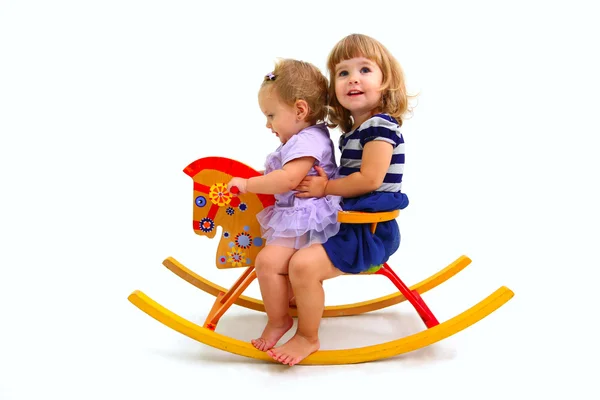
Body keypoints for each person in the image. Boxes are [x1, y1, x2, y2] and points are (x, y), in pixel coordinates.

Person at [265, 33, 413, 366]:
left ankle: (308, 336)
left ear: (385, 80)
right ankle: (287, 309)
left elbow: (370, 179)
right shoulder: (351, 133)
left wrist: (323, 188)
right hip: (348, 221)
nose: (353, 79)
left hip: (369, 231)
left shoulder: (380, 126)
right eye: (343, 73)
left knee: (302, 265)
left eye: (364, 70)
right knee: (286, 254)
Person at [226, 58, 342, 352]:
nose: (268, 124)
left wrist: (249, 184)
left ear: (300, 110)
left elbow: (288, 180)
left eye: (271, 115)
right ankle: (281, 315)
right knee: (268, 263)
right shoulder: (299, 140)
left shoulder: (309, 140)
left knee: (269, 262)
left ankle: (288, 324)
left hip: (307, 219)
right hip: (294, 218)